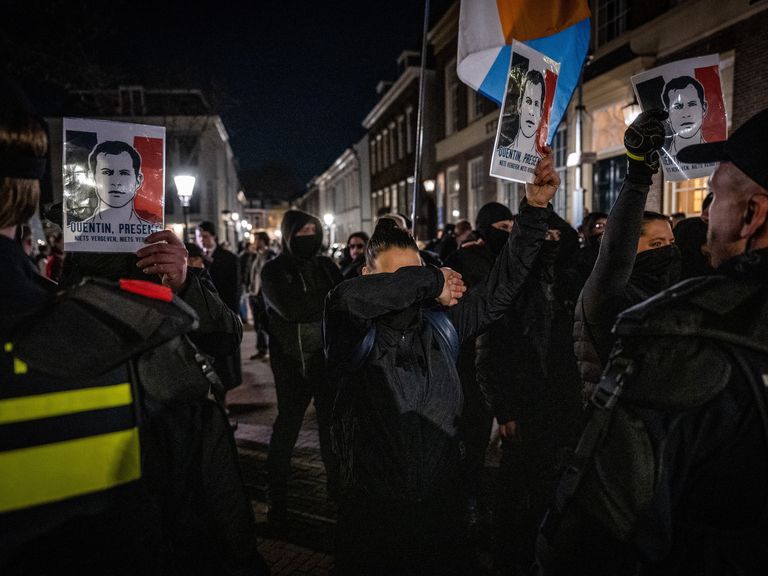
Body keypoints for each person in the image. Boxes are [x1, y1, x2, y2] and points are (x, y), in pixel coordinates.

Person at [0, 74, 267, 575]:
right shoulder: (60, 300)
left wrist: (186, 282)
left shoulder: (170, 265)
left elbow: (226, 332)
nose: (118, 183)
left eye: (127, 175)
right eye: (108, 175)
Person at [537, 107, 768, 576]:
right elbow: (612, 263)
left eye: (714, 195)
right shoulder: (633, 302)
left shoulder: (683, 338)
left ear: (750, 214)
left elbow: (595, 538)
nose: (705, 214)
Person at [324, 150, 561, 576]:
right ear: (366, 275)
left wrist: (535, 211)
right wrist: (431, 278)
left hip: (442, 510)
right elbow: (349, 298)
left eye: (414, 276)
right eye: (396, 279)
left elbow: (502, 287)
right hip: (372, 517)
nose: (410, 290)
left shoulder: (441, 324)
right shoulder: (349, 322)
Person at [574, 109, 681, 403]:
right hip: (615, 427)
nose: (669, 251)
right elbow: (614, 255)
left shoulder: (671, 292)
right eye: (657, 244)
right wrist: (638, 174)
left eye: (672, 242)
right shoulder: (607, 292)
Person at [260, 209, 343, 526]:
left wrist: (327, 300)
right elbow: (290, 308)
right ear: (288, 234)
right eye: (302, 231)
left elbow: (345, 298)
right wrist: (329, 299)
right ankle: (276, 498)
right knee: (286, 431)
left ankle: (337, 494)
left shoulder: (325, 265)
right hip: (291, 362)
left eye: (313, 229)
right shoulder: (273, 270)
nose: (309, 235)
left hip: (326, 359)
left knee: (331, 431)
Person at [196, 220, 243, 391]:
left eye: (205, 236)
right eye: (199, 236)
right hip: (203, 316)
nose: (202, 239)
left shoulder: (229, 258)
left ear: (214, 236)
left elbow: (235, 289)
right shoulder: (195, 257)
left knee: (225, 362)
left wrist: (232, 314)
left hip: (223, 312)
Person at [81, 140, 160, 228]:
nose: (116, 182)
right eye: (107, 173)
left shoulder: (153, 236)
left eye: (124, 173)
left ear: (138, 180)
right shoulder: (72, 236)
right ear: (92, 178)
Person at [662, 75, 708, 158]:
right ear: (667, 114)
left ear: (704, 108)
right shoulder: (658, 164)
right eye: (678, 107)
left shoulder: (719, 159)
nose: (686, 114)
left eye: (692, 104)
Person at [248, 231, 274, 360]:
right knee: (258, 324)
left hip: (264, 294)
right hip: (254, 293)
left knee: (267, 323)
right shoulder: (254, 256)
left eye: (257, 240)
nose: (255, 242)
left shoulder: (270, 256)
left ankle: (272, 349)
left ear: (264, 241)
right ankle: (261, 349)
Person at [510, 69, 545, 156]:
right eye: (528, 102)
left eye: (536, 104)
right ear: (519, 105)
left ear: (541, 112)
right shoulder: (499, 157)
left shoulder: (542, 165)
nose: (531, 112)